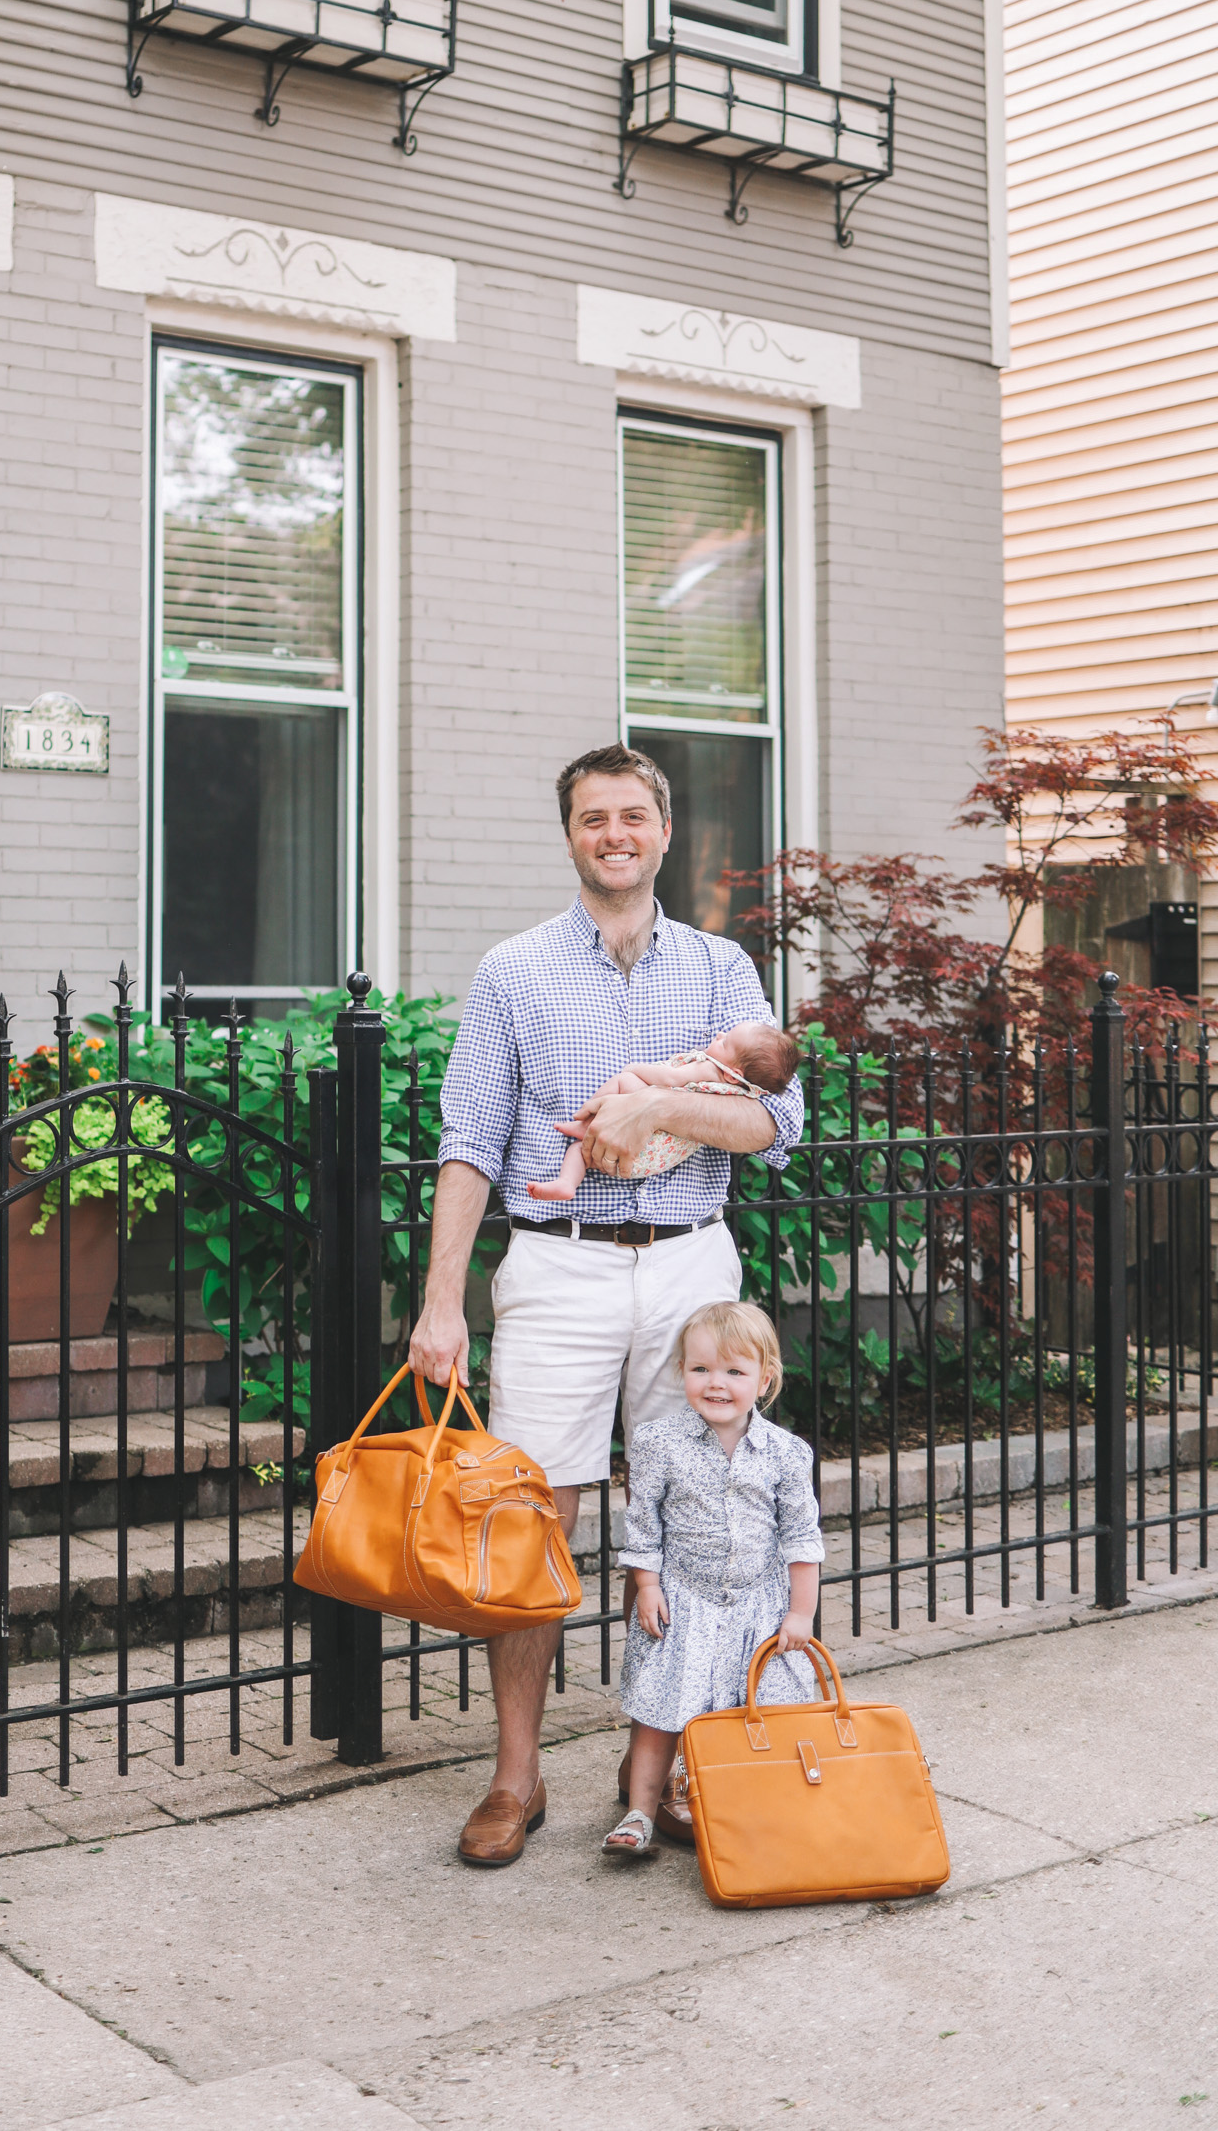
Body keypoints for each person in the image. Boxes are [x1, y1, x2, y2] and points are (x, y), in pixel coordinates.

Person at [409, 744, 804, 1869]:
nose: (615, 834)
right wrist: (444, 1301)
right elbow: (470, 1140)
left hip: (689, 1268)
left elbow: (781, 1126)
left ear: (666, 832)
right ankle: (515, 1775)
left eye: (635, 816)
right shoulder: (514, 971)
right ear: (571, 833)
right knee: (531, 1526)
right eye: (594, 818)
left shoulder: (725, 970)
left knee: (704, 1525)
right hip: (558, 1267)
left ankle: (678, 1769)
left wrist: (658, 1111)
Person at [605, 1300, 825, 1859]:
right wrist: (648, 1587)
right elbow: (644, 1525)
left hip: (759, 1605)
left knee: (764, 1706)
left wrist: (800, 1613)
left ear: (764, 1379)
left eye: (734, 1371)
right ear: (683, 1373)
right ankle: (640, 1811)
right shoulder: (659, 1443)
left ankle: (758, 1800)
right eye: (701, 1369)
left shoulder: (784, 1453)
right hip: (686, 1600)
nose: (716, 1383)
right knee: (661, 1711)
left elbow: (802, 1537)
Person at [526, 1022, 802, 1203]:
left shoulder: (709, 1069)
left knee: (622, 1085)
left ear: (735, 1074)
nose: (719, 1035)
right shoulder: (748, 1090)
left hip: (648, 1139)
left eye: (726, 1042)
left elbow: (669, 1078)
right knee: (580, 1152)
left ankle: (583, 1126)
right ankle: (566, 1183)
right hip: (654, 1156)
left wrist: (634, 1069)